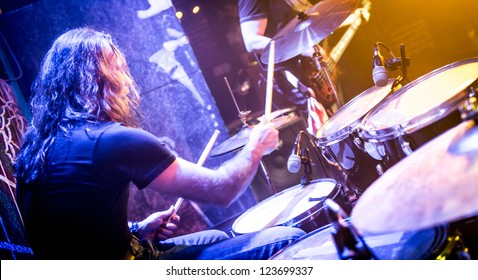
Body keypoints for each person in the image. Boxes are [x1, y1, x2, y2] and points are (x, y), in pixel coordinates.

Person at [14, 27, 306, 260]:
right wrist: (255, 146)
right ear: (102, 80)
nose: (125, 81)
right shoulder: (113, 140)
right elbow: (222, 190)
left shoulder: (35, 146)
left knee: (217, 238)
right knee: (287, 240)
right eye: (118, 69)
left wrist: (138, 228)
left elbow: (68, 236)